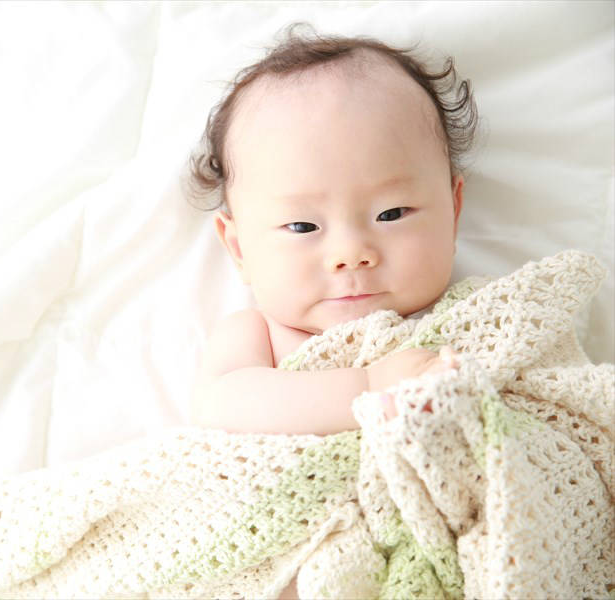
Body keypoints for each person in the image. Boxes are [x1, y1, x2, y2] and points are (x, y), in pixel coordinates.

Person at [188, 25, 476, 436]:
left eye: (391, 214)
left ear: (454, 211)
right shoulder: (259, 335)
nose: (350, 254)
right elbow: (220, 406)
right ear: (238, 249)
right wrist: (370, 386)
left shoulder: (477, 313)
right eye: (302, 226)